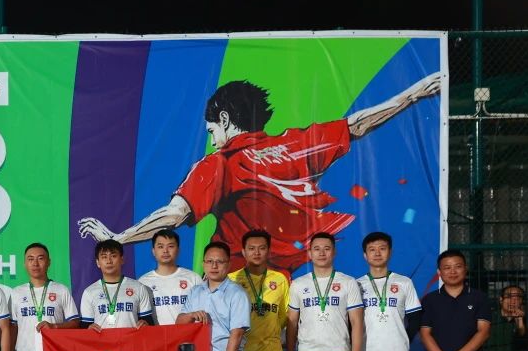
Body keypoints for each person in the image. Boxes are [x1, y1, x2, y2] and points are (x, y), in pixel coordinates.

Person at [77, 73, 442, 273]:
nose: (212, 140)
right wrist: (414, 94)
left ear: (224, 119)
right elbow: (357, 125)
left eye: (211, 131)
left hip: (234, 283)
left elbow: (174, 215)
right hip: (284, 286)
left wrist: (119, 237)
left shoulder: (219, 163)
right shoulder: (295, 144)